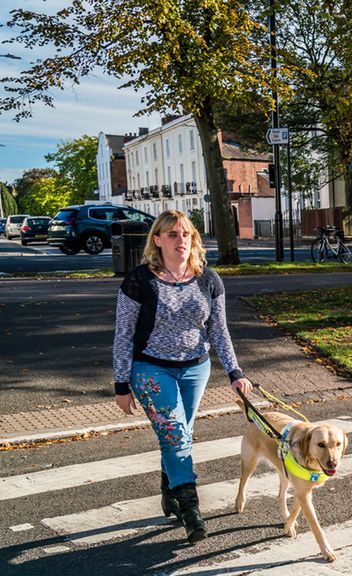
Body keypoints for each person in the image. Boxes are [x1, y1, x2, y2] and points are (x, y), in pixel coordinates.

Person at [113, 210, 253, 544]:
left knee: (180, 434)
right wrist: (121, 383)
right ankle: (191, 511)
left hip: (195, 368)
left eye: (187, 234)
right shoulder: (139, 281)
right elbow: (123, 334)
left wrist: (235, 372)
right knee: (176, 436)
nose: (182, 240)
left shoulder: (208, 279)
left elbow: (219, 331)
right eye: (173, 235)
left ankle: (169, 491)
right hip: (150, 369)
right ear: (157, 240)